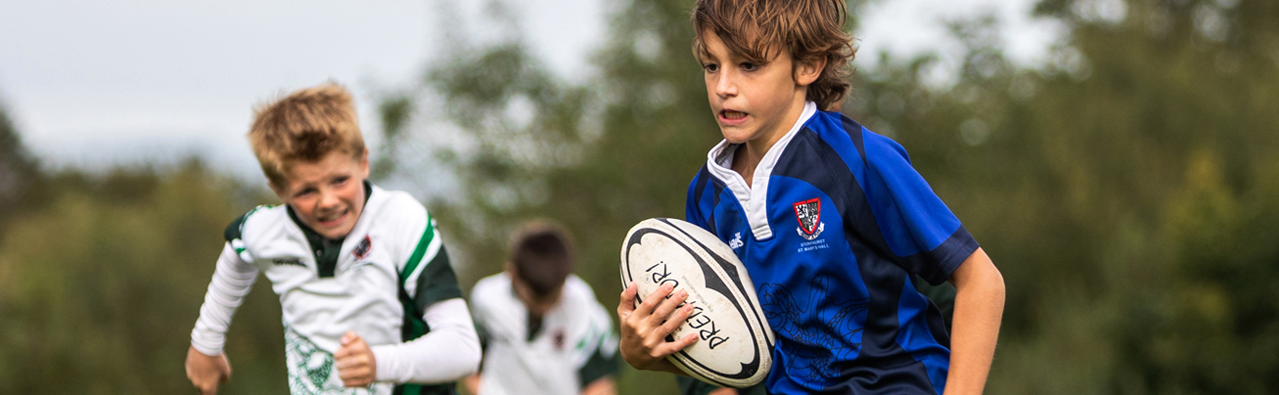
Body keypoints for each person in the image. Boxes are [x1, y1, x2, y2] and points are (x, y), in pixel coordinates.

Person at [616, 0, 1006, 394]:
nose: (723, 87)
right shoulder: (706, 194)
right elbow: (736, 352)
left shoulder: (857, 158)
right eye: (712, 65)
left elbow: (981, 282)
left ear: (807, 66)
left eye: (749, 65)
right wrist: (644, 354)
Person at [184, 83, 480, 395]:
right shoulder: (265, 229)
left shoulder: (400, 220)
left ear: (363, 162)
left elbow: (464, 349)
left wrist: (378, 364)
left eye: (339, 181)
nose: (327, 201)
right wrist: (206, 342)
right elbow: (237, 255)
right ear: (279, 189)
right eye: (306, 191)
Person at [463, 221, 620, 395]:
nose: (545, 307)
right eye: (536, 299)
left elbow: (600, 384)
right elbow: (468, 363)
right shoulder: (485, 298)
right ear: (513, 274)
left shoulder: (583, 305)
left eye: (553, 297)